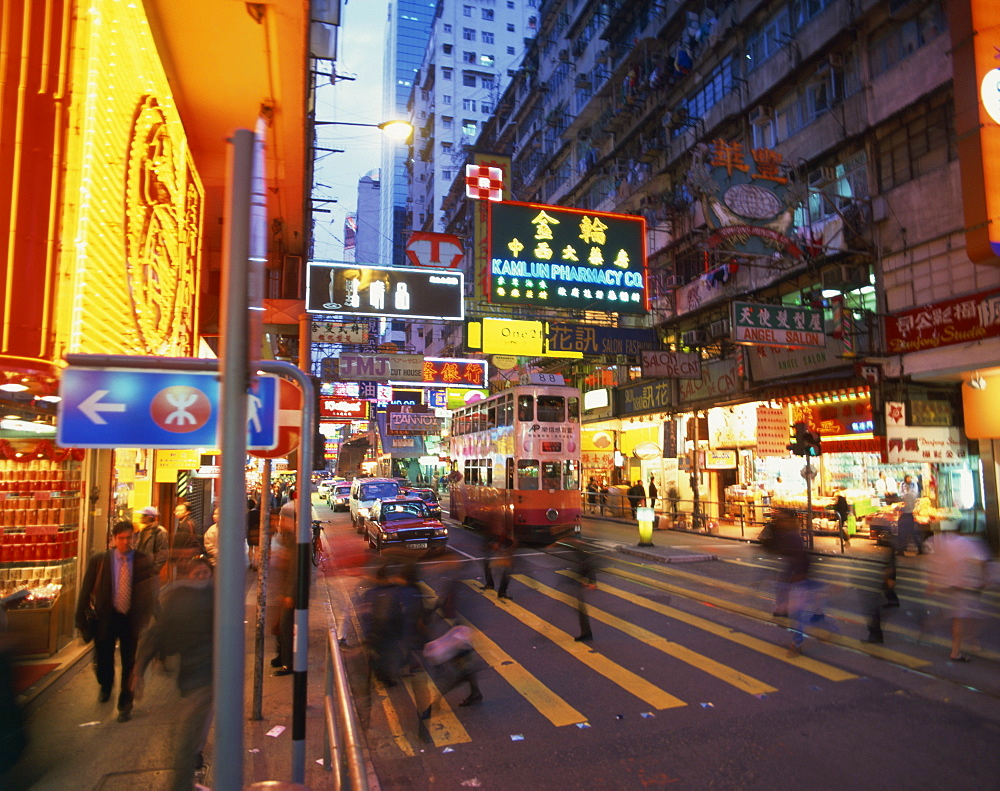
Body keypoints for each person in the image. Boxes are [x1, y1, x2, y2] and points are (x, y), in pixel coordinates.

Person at [132, 557, 214, 789]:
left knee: (194, 728)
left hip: (205, 675)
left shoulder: (216, 597)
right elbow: (160, 631)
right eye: (196, 574)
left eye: (204, 574)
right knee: (191, 731)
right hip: (194, 674)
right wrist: (139, 668)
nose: (200, 579)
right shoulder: (181, 599)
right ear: (189, 576)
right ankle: (184, 777)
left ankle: (187, 771)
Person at [74, 520, 155, 722]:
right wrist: (80, 620)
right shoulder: (100, 560)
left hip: (130, 619)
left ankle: (125, 703)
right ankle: (106, 684)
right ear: (113, 539)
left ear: (135, 538)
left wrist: (155, 617)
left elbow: (150, 591)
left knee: (129, 661)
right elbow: (86, 590)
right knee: (103, 658)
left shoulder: (143, 559)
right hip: (105, 617)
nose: (126, 542)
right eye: (121, 538)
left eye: (129, 538)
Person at [925, 526, 989, 662]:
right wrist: (982, 579)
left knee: (961, 617)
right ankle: (957, 651)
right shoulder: (965, 543)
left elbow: (933, 563)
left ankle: (972, 642)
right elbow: (981, 562)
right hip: (961, 587)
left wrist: (932, 583)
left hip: (948, 586)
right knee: (964, 618)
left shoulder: (937, 542)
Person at [134, 506, 169, 580]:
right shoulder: (144, 530)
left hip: (150, 574)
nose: (141, 518)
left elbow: (163, 554)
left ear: (149, 517)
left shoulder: (159, 531)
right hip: (140, 570)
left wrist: (153, 571)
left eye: (143, 516)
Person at [171, 501, 203, 574]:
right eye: (176, 510)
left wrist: (173, 558)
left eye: (180, 510)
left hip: (184, 557)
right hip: (186, 557)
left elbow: (180, 542)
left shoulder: (186, 525)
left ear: (187, 512)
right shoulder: (185, 522)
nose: (177, 512)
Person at [896, 475, 920, 554]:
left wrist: (899, 508)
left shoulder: (908, 496)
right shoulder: (908, 495)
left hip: (906, 515)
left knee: (903, 533)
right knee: (911, 533)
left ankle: (901, 550)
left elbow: (904, 506)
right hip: (909, 515)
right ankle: (919, 548)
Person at [246, 497, 262, 570]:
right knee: (257, 549)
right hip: (257, 532)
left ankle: (251, 563)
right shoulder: (259, 513)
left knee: (250, 548)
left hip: (249, 532)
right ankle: (256, 564)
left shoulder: (247, 514)